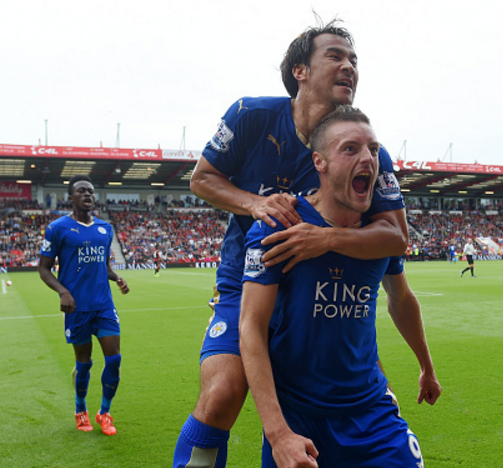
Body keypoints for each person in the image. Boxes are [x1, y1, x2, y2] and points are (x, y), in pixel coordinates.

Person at [173, 20, 440, 468]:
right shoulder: (251, 116)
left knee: (349, 394)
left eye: (354, 60)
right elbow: (201, 179)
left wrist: (326, 238)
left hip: (315, 286)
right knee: (222, 393)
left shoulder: (368, 153)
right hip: (249, 278)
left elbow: (397, 237)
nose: (349, 66)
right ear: (300, 70)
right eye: (335, 56)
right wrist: (257, 204)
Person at [240, 106, 435, 467]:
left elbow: (402, 299)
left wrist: (426, 366)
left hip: (371, 414)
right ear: (320, 162)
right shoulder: (280, 225)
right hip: (299, 420)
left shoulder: (379, 238)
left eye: (373, 150)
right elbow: (251, 325)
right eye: (350, 148)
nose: (368, 158)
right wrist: (278, 433)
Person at [38, 175, 130, 436]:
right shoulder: (57, 228)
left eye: (90, 191)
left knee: (114, 359)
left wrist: (117, 277)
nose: (88, 194)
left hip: (103, 305)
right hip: (76, 308)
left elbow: (104, 265)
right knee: (84, 363)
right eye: (81, 191)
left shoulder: (105, 228)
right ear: (71, 197)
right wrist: (63, 292)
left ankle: (105, 412)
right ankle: (80, 409)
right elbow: (43, 269)